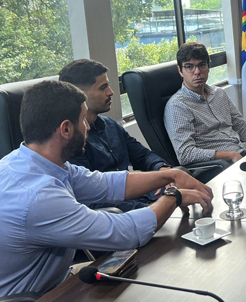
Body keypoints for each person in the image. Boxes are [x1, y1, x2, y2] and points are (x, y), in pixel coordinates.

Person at [0, 80, 213, 302]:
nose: (89, 127)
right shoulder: (37, 195)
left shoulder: (25, 161)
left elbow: (108, 184)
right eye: (83, 119)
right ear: (66, 129)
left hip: (39, 287)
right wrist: (174, 195)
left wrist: (171, 174)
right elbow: (127, 233)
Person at [59, 59, 208, 211]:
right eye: (103, 88)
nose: (111, 92)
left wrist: (163, 170)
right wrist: (163, 203)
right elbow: (95, 199)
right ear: (80, 95)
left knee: (191, 187)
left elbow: (143, 156)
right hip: (122, 214)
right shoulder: (73, 141)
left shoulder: (110, 125)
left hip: (145, 197)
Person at [164, 42, 246, 165]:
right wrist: (230, 155)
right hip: (217, 167)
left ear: (208, 67)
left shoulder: (219, 94)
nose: (197, 71)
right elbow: (186, 154)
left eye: (202, 65)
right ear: (180, 70)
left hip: (240, 156)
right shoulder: (177, 106)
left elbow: (241, 127)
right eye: (189, 67)